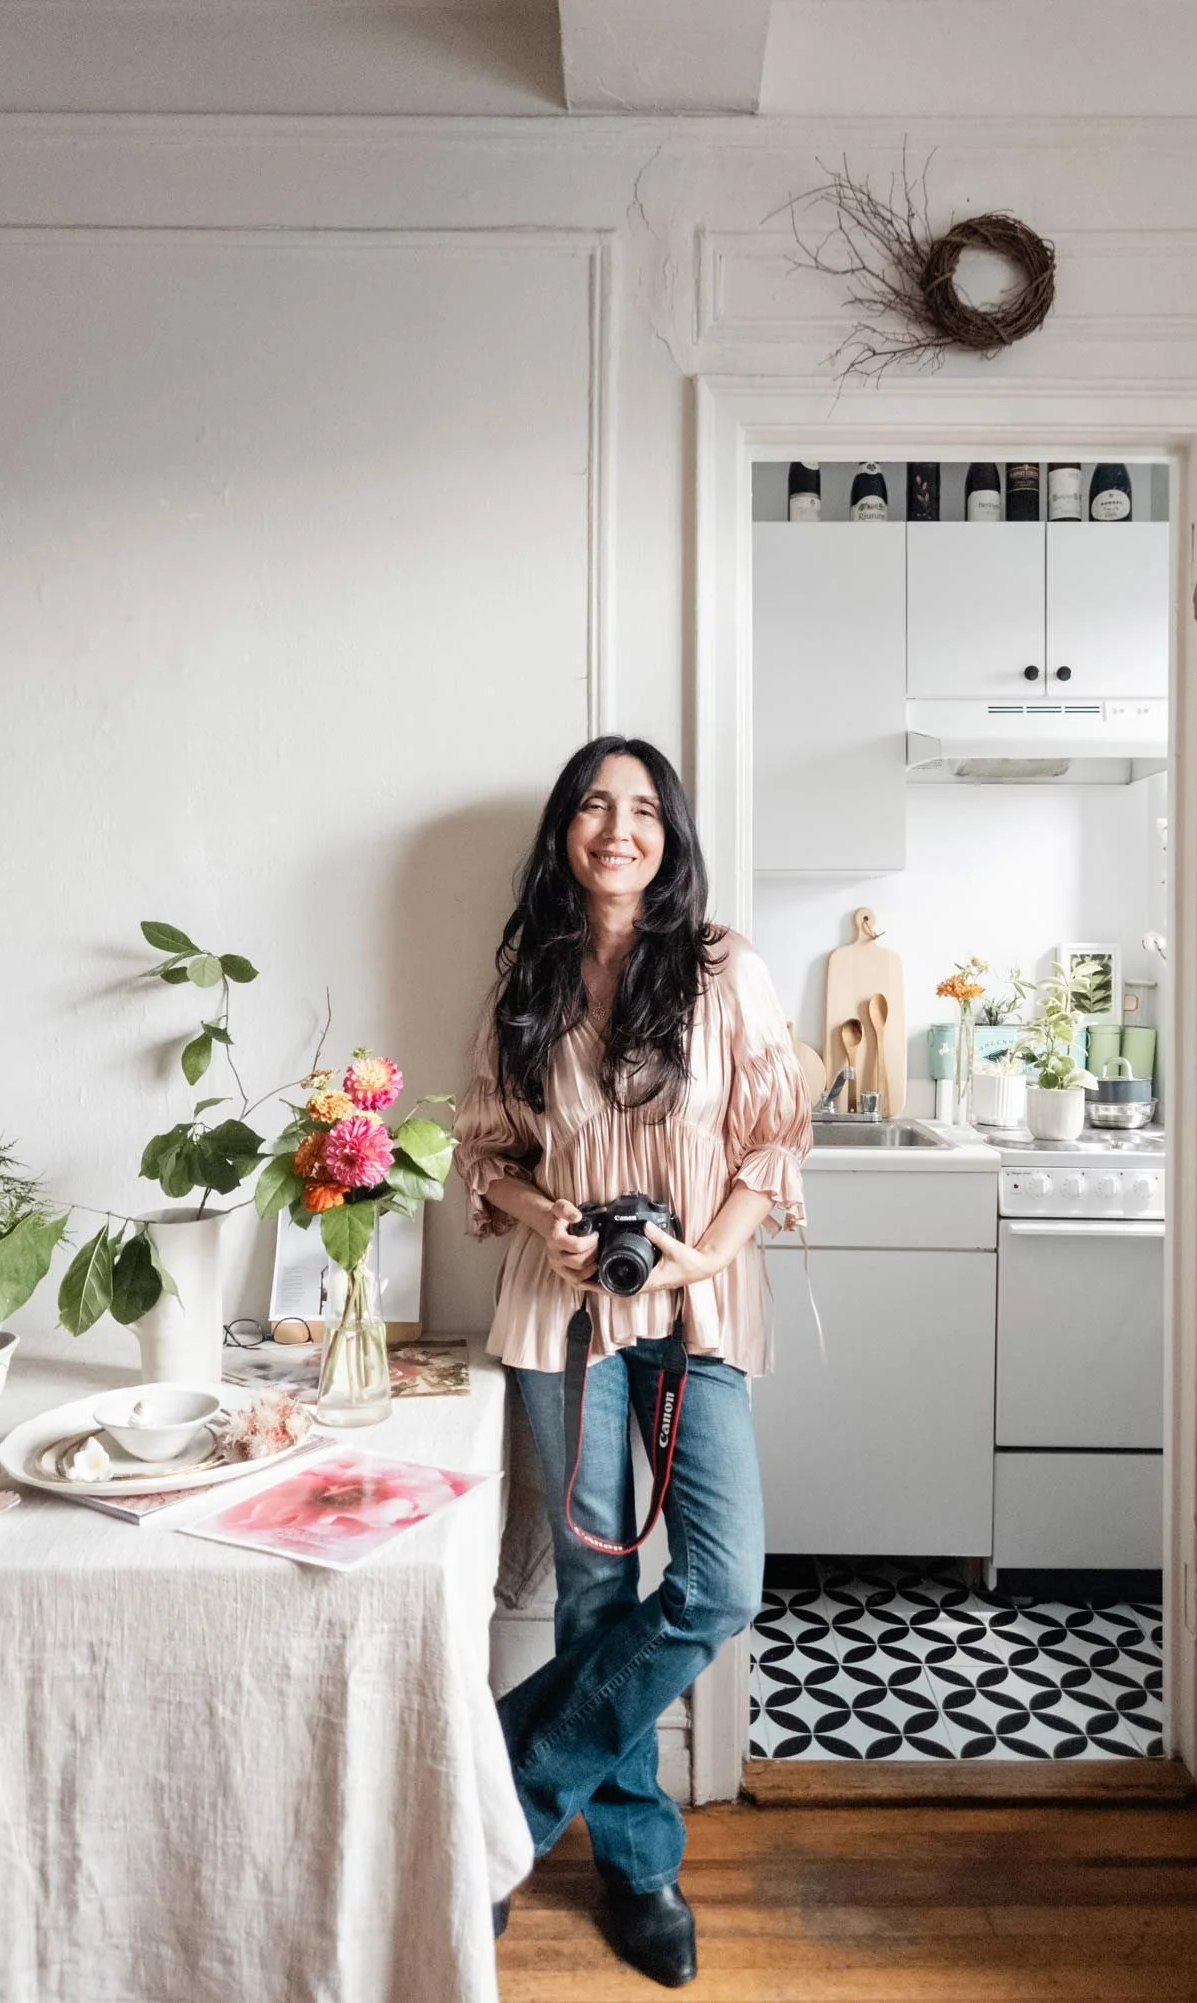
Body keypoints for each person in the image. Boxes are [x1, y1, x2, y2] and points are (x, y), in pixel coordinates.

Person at [454, 735, 810, 1988]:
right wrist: (536, 1209)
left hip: (694, 1310)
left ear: (672, 833)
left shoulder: (722, 967)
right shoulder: (529, 977)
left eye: (644, 807)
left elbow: (773, 1137)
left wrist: (698, 1258)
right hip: (567, 1318)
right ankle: (640, 1863)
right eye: (596, 805)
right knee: (598, 1596)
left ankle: (494, 1795)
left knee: (719, 1583)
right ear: (564, 829)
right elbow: (483, 1149)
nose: (620, 826)